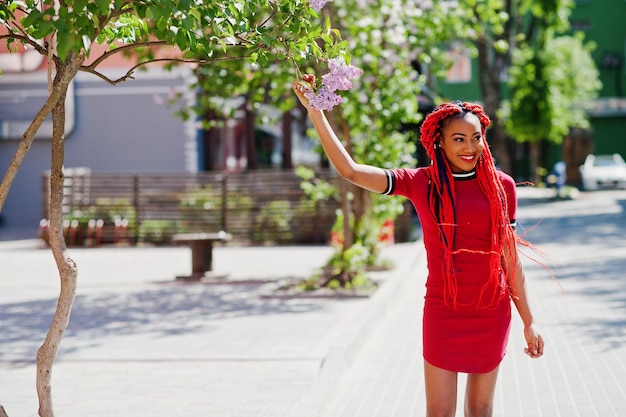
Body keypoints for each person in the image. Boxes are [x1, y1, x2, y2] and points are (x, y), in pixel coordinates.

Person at [293, 74, 544, 417]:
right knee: (439, 413)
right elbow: (350, 171)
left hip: (491, 310)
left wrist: (529, 321)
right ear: (439, 142)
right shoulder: (420, 183)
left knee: (481, 410)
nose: (470, 147)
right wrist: (316, 112)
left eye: (476, 138)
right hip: (443, 311)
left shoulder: (502, 186)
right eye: (459, 139)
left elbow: (510, 259)